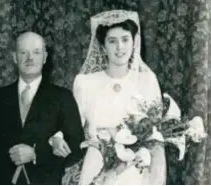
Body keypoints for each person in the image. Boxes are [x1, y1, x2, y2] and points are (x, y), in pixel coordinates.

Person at [52, 10, 166, 185]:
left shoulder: (146, 80)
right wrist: (57, 138)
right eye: (112, 41)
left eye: (125, 39)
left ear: (134, 42)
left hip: (137, 169)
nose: (119, 47)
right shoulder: (85, 83)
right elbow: (71, 124)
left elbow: (156, 134)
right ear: (104, 48)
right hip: (98, 167)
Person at [0, 31, 85, 185]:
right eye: (23, 52)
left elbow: (76, 147)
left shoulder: (63, 97)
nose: (30, 58)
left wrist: (36, 154)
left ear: (45, 57)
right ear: (14, 57)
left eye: (36, 52)